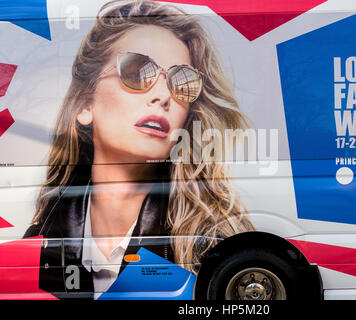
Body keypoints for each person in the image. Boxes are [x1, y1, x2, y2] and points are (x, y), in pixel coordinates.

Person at [24, 0, 255, 298]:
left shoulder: (211, 243)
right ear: (84, 104)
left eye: (181, 84)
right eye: (135, 71)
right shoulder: (39, 246)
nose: (162, 95)